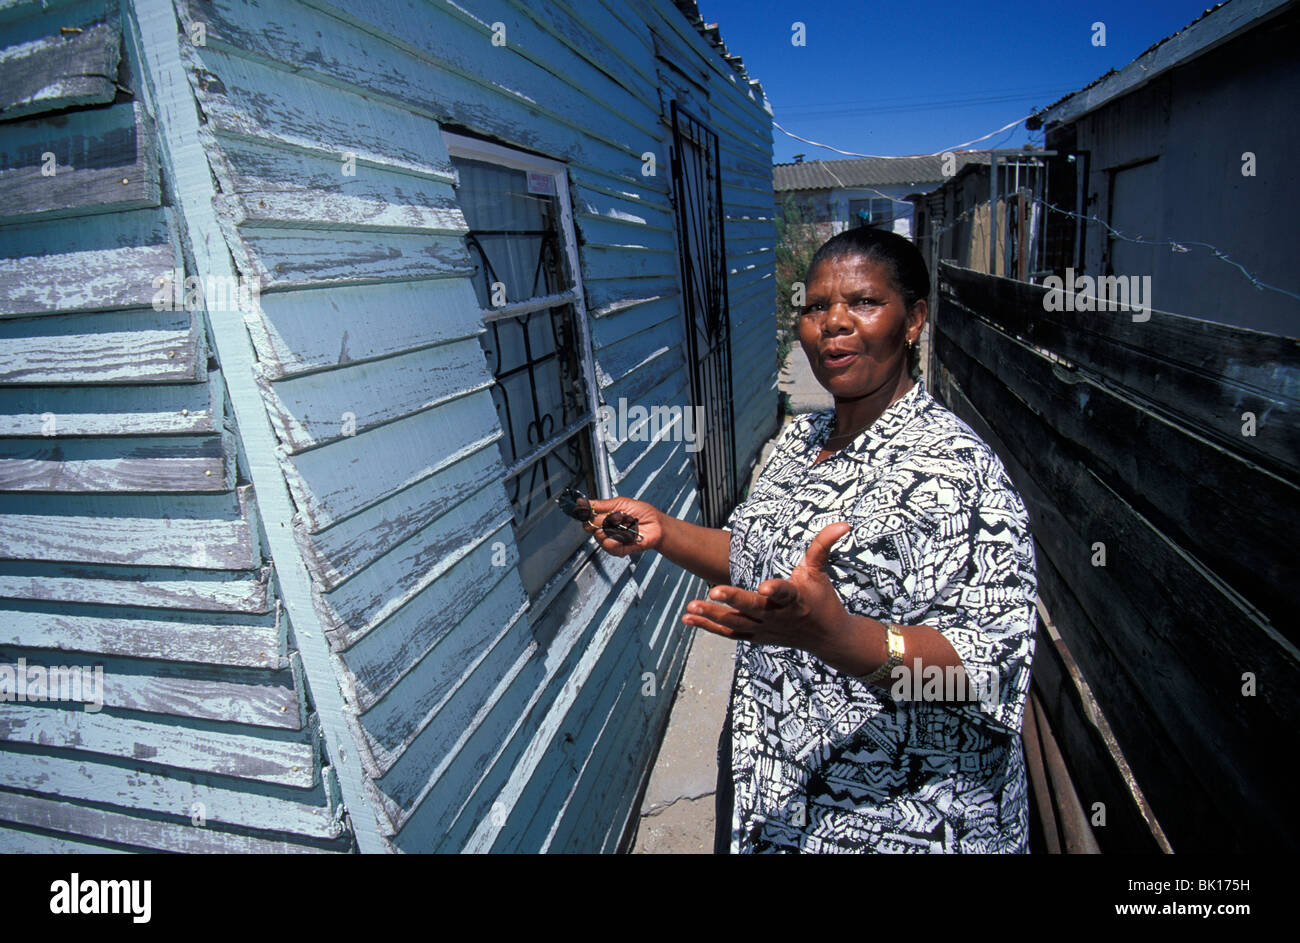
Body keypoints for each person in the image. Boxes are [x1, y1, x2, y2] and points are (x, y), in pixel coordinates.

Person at [583, 226, 1037, 853]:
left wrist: (837, 637)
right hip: (771, 777)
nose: (834, 323)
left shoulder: (959, 469)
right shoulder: (801, 440)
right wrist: (664, 531)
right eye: (817, 306)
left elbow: (988, 671)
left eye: (864, 302)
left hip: (899, 819)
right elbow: (748, 552)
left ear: (914, 321)